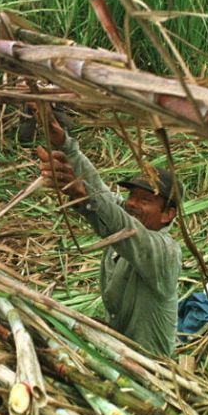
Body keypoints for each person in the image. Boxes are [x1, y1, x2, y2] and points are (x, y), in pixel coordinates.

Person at [32, 104, 183, 356]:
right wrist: (63, 143)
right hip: (118, 355)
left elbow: (118, 221)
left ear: (168, 214)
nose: (132, 204)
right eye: (131, 195)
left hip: (149, 370)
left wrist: (83, 194)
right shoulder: (125, 224)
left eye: (145, 200)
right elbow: (103, 196)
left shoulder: (165, 253)